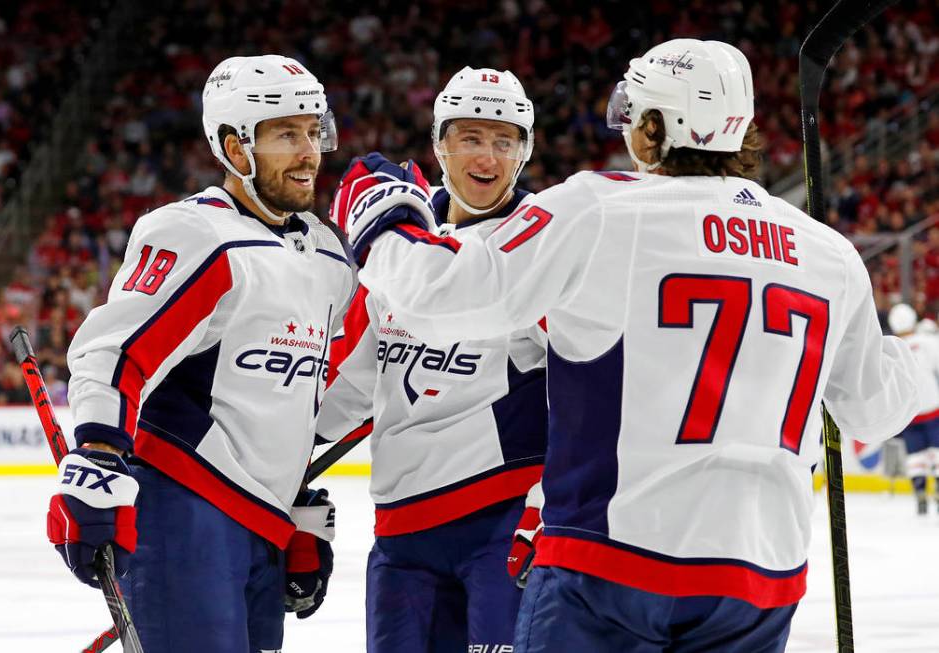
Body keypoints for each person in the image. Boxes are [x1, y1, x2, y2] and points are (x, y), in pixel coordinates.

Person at [334, 38, 919, 652]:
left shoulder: (600, 210)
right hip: (759, 580)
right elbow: (876, 411)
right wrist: (907, 356)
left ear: (652, 130)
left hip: (611, 562)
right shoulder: (825, 250)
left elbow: (448, 292)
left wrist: (379, 222)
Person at [48, 55, 355, 653]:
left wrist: (292, 505)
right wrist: (99, 455)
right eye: (285, 134)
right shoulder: (197, 234)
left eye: (313, 131)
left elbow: (292, 398)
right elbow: (114, 351)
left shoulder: (326, 255)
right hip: (187, 508)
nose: (309, 152)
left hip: (262, 527)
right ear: (235, 147)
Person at [317, 67, 548, 653]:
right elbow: (349, 383)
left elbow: (594, 388)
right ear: (439, 143)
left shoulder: (548, 244)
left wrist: (550, 505)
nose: (488, 157)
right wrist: (259, 459)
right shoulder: (398, 244)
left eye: (505, 140)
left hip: (502, 522)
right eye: (471, 138)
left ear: (526, 150)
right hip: (400, 532)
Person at [888, 303, 939, 514]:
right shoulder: (927, 341)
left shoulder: (890, 346)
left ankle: (919, 490)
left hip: (908, 410)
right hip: (932, 406)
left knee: (914, 454)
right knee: (936, 451)